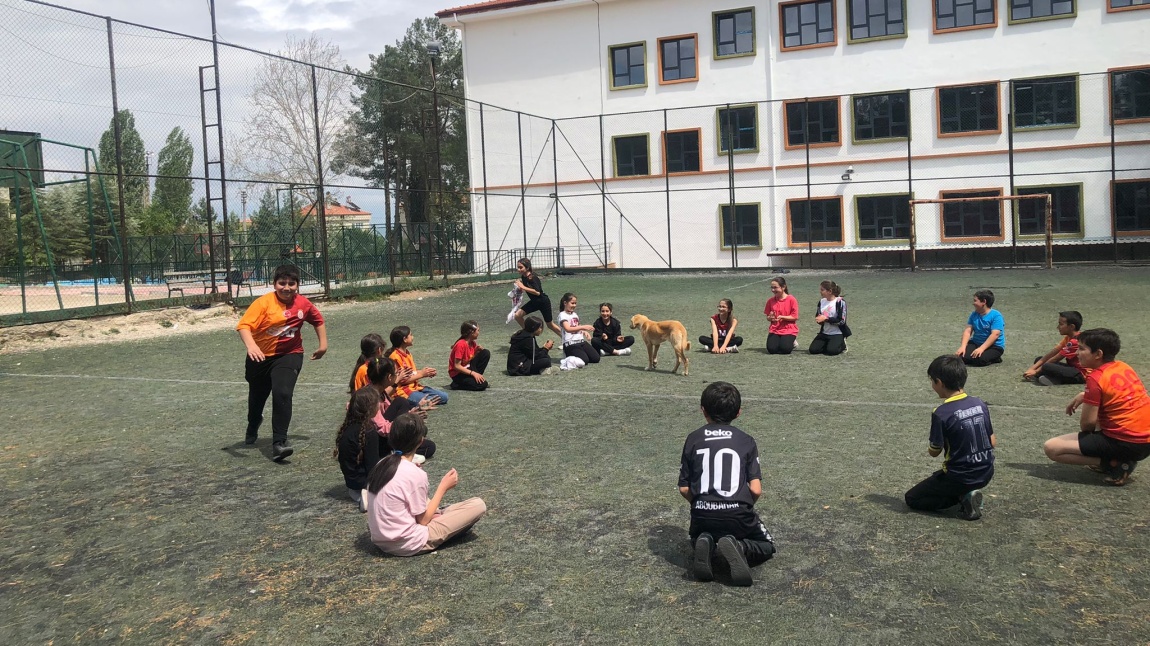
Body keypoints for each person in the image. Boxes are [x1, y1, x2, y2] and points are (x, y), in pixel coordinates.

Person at [679, 381, 776, 586]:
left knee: (699, 533)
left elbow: (684, 488)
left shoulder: (693, 439)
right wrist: (737, 506)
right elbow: (755, 490)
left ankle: (703, 542)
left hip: (702, 512)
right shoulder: (746, 440)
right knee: (767, 545)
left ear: (703, 410)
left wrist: (703, 503)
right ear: (738, 412)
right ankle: (740, 547)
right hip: (737, 513)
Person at [236, 264, 327, 461]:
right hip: (259, 357)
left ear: (298, 285)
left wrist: (323, 345)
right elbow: (244, 326)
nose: (287, 287)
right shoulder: (263, 303)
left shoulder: (303, 304)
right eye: (282, 283)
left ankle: (279, 443)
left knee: (283, 393)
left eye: (291, 283)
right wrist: (252, 346)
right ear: (274, 284)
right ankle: (253, 423)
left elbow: (317, 320)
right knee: (257, 398)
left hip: (290, 354)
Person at [365, 413, 487, 556]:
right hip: (407, 543)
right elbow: (422, 521)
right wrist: (443, 487)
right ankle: (442, 518)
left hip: (380, 540)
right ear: (421, 441)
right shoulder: (414, 473)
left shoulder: (381, 464)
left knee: (439, 508)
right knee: (478, 505)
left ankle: (440, 514)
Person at [1042, 328, 1150, 486]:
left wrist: (1088, 402)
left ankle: (1115, 463)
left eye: (1081, 349)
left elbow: (1087, 425)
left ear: (1098, 354)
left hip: (1128, 443)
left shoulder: (1096, 378)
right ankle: (1118, 458)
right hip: (1145, 440)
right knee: (1104, 414)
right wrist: (1085, 395)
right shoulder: (1123, 366)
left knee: (1052, 448)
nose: (1076, 353)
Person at [904, 355, 996, 521]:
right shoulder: (980, 403)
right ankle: (966, 492)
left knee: (912, 498)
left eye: (932, 381)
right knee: (938, 478)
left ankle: (963, 497)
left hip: (959, 477)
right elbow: (992, 441)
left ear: (939, 382)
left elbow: (934, 451)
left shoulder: (941, 413)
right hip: (986, 472)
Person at [334, 386, 383, 512]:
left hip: (352, 486)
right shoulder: (369, 431)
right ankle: (368, 498)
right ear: (371, 408)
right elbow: (373, 468)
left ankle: (365, 496)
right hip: (365, 485)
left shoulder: (348, 427)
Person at [388, 325, 449, 406]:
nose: (413, 337)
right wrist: (422, 374)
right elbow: (402, 380)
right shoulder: (395, 356)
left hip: (415, 387)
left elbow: (412, 373)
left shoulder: (407, 353)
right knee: (427, 402)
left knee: (444, 397)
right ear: (404, 339)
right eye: (411, 335)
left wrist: (426, 372)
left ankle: (417, 399)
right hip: (402, 390)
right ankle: (402, 401)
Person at [1024, 311, 1087, 386]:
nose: (1058, 327)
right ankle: (1051, 377)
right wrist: (1032, 368)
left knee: (1046, 366)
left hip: (1081, 374)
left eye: (1061, 324)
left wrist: (1036, 371)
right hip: (1072, 368)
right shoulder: (1068, 338)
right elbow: (1051, 354)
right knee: (1039, 359)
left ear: (1071, 327)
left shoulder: (1075, 342)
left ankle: (1057, 379)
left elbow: (1056, 359)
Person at [512, 258, 563, 338]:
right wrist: (519, 289)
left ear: (527, 267)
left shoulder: (533, 277)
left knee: (550, 325)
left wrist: (523, 286)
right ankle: (528, 334)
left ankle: (566, 340)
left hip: (543, 302)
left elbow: (537, 292)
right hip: (534, 302)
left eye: (521, 267)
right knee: (517, 316)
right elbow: (528, 288)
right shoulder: (523, 277)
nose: (518, 269)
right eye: (518, 267)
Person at [955, 289, 1005, 366]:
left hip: (994, 346)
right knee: (961, 357)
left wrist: (982, 348)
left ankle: (995, 358)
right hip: (976, 343)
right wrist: (963, 346)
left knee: (980, 360)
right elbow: (968, 331)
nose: (973, 303)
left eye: (975, 301)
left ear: (984, 302)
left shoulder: (996, 316)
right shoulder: (974, 314)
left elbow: (995, 334)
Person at [556, 292, 600, 370]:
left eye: (575, 303)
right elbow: (568, 328)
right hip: (570, 344)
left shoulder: (575, 314)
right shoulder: (562, 315)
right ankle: (567, 360)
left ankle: (576, 356)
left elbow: (577, 327)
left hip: (581, 341)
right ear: (565, 303)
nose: (574, 305)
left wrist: (584, 332)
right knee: (584, 361)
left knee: (596, 358)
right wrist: (584, 327)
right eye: (572, 303)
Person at [808, 281, 848, 356]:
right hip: (824, 332)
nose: (820, 292)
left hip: (837, 332)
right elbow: (818, 314)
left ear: (830, 291)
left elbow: (842, 321)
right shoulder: (821, 301)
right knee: (813, 350)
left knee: (832, 351)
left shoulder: (840, 302)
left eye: (822, 290)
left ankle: (842, 344)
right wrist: (819, 320)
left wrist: (826, 319)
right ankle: (829, 344)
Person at [449, 320, 491, 391]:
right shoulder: (461, 344)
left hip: (467, 368)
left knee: (485, 353)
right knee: (482, 385)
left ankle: (477, 379)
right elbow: (457, 366)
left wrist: (477, 352)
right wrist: (473, 373)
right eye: (478, 330)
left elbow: (469, 359)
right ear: (472, 332)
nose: (479, 333)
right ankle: (456, 384)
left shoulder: (473, 343)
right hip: (458, 373)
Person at [764, 276, 799, 355]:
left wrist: (782, 317)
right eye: (772, 288)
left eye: (775, 287)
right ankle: (782, 341)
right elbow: (768, 316)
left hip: (788, 328)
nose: (773, 290)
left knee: (785, 350)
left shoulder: (791, 299)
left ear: (783, 287)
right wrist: (770, 318)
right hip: (775, 329)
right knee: (771, 350)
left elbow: (795, 317)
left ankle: (791, 341)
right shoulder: (770, 301)